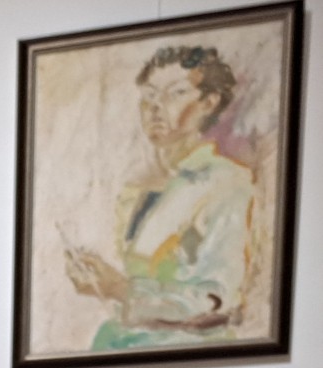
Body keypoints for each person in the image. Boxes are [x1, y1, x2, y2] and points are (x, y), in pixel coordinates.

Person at [64, 43, 255, 350]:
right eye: (149, 95)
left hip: (190, 352)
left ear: (209, 102)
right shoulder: (140, 189)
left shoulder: (226, 181)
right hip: (124, 346)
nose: (155, 106)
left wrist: (121, 289)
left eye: (176, 93)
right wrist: (101, 281)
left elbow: (218, 301)